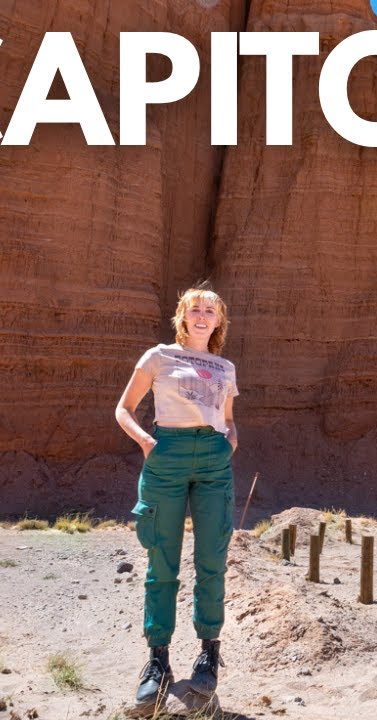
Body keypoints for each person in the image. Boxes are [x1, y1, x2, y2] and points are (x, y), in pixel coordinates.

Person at [115, 285, 239, 705]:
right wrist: (147, 443)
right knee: (162, 561)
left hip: (213, 462)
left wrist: (230, 440)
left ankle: (208, 655)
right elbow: (124, 408)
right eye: (195, 309)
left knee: (212, 560)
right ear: (182, 316)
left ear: (219, 321)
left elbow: (227, 417)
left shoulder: (225, 367)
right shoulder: (159, 356)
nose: (202, 316)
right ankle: (158, 662)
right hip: (166, 454)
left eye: (210, 311)